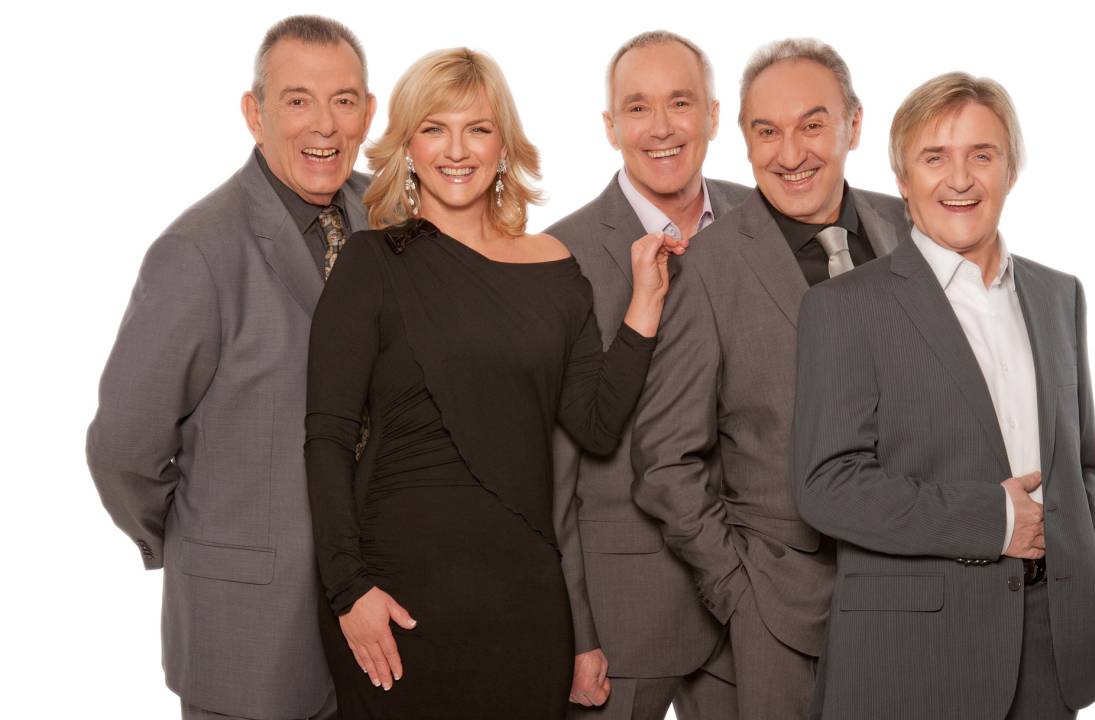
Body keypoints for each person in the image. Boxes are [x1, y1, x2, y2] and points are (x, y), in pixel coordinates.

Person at [304, 48, 684, 719]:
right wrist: (347, 590)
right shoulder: (371, 262)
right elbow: (327, 436)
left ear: (503, 145)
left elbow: (596, 425)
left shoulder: (555, 265)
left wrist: (645, 303)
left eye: (477, 129)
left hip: (524, 601)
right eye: (435, 128)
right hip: (397, 600)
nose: (457, 150)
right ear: (408, 147)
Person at [792, 72, 1095, 719]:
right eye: (935, 157)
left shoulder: (1059, 295)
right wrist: (993, 519)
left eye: (982, 154)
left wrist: (1088, 581)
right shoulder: (844, 307)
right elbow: (826, 486)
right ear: (902, 178)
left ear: (1010, 169)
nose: (961, 179)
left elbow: (1082, 465)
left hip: (1053, 649)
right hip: (918, 658)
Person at [85, 15, 375, 720]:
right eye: (298, 100)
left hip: (375, 630)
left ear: (368, 113)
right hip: (249, 635)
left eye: (343, 100)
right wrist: (192, 535)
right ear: (255, 113)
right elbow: (122, 447)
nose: (325, 125)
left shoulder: (387, 214)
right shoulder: (199, 252)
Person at [630, 38, 910, 719]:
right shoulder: (709, 266)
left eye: (812, 125)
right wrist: (738, 589)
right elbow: (665, 460)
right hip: (782, 614)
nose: (790, 154)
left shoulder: (910, 230)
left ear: (854, 125)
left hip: (919, 594)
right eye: (766, 131)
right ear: (744, 139)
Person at [546, 30, 749, 720]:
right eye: (638, 108)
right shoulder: (559, 255)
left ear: (713, 116)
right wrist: (575, 631)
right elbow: (553, 474)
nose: (661, 128)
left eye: (680, 103)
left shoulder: (763, 223)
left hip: (753, 604)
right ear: (610, 127)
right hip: (621, 615)